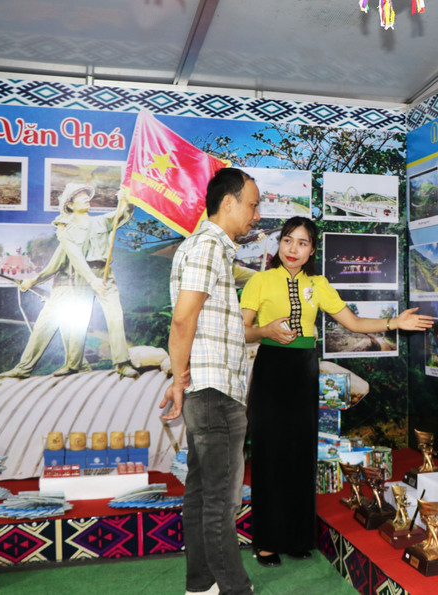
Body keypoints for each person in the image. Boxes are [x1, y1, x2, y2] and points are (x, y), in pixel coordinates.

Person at [240, 216, 433, 567]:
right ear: (279, 244)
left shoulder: (319, 285)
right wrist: (266, 330)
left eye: (302, 243)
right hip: (271, 369)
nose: (293, 249)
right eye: (287, 240)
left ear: (312, 250)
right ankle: (266, 541)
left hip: (304, 369)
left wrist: (395, 322)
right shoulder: (260, 281)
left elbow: (354, 323)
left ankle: (297, 537)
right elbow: (242, 331)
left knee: (301, 453)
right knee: (269, 454)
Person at [161, 168, 260, 595]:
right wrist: (178, 378)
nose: (256, 214)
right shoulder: (207, 246)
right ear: (229, 202)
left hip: (210, 389)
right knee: (221, 500)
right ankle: (235, 588)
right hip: (214, 392)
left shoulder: (208, 248)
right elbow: (183, 319)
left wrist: (181, 379)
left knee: (202, 493)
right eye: (252, 205)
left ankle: (200, 586)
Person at [0, 183, 129, 378]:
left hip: (94, 278)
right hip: (71, 283)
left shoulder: (98, 222)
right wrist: (32, 282)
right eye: (80, 195)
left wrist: (125, 200)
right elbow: (59, 263)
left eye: (87, 194)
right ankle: (34, 368)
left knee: (101, 319)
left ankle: (109, 364)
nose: (86, 197)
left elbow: (121, 214)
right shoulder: (66, 232)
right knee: (62, 325)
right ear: (69, 204)